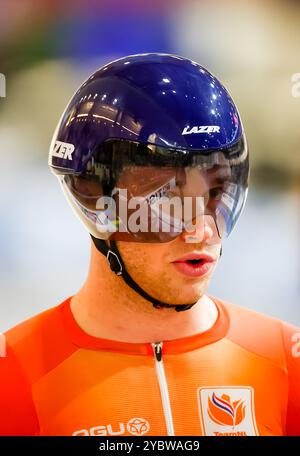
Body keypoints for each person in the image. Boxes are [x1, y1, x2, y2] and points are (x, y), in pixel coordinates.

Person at [0, 53, 299, 436]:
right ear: (94, 200)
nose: (202, 232)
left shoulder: (287, 363)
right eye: (166, 200)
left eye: (216, 193)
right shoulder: (14, 374)